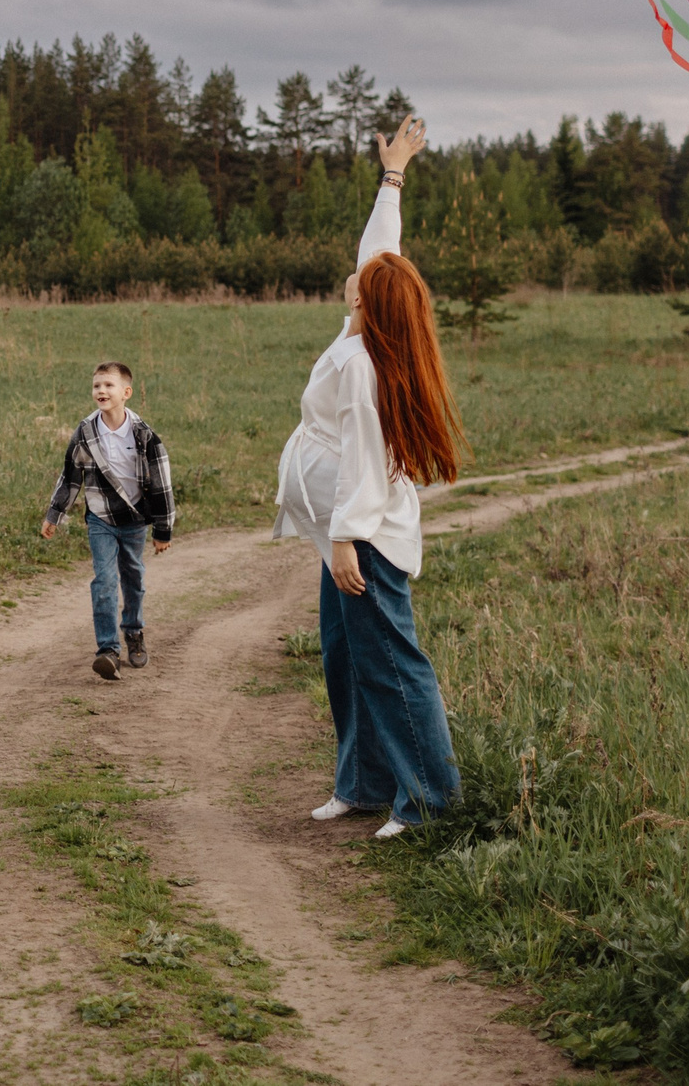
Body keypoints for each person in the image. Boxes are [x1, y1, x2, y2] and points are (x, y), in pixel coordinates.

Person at [273, 115, 466, 839]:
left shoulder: (362, 367)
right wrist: (393, 177)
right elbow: (380, 248)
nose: (360, 267)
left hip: (362, 539)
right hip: (338, 533)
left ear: (366, 300)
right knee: (346, 658)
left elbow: (364, 464)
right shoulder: (361, 330)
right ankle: (362, 783)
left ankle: (428, 801)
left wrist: (348, 538)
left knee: (390, 662)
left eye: (365, 276)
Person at [42, 361, 177, 680]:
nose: (101, 391)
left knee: (134, 578)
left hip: (134, 520)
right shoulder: (86, 431)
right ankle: (107, 650)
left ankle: (133, 632)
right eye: (96, 386)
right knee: (103, 582)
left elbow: (161, 484)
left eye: (108, 385)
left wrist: (162, 528)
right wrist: (55, 513)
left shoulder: (144, 435)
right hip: (100, 517)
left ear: (126, 393)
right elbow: (70, 476)